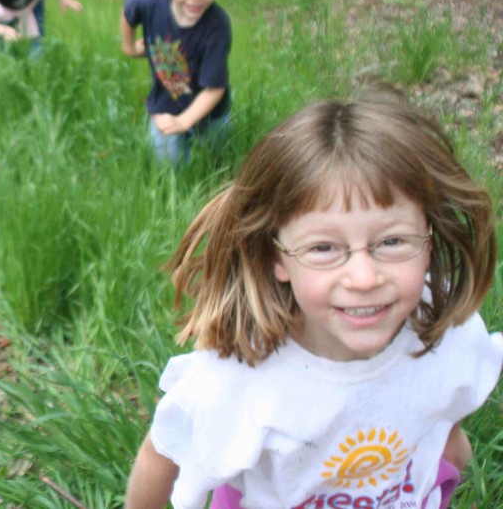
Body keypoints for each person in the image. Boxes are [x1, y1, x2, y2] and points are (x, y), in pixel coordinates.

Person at [124, 95, 503, 509]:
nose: (363, 279)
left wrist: (448, 452)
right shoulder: (236, 382)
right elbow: (161, 456)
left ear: (429, 241)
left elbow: (447, 411)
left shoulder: (450, 333)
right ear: (275, 257)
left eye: (392, 242)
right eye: (324, 248)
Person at [120, 0, 233, 167]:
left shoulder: (217, 26)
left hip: (211, 113)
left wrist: (184, 122)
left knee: (215, 162)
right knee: (169, 167)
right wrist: (129, 48)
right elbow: (129, 10)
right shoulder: (149, 2)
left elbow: (215, 89)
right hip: (166, 103)